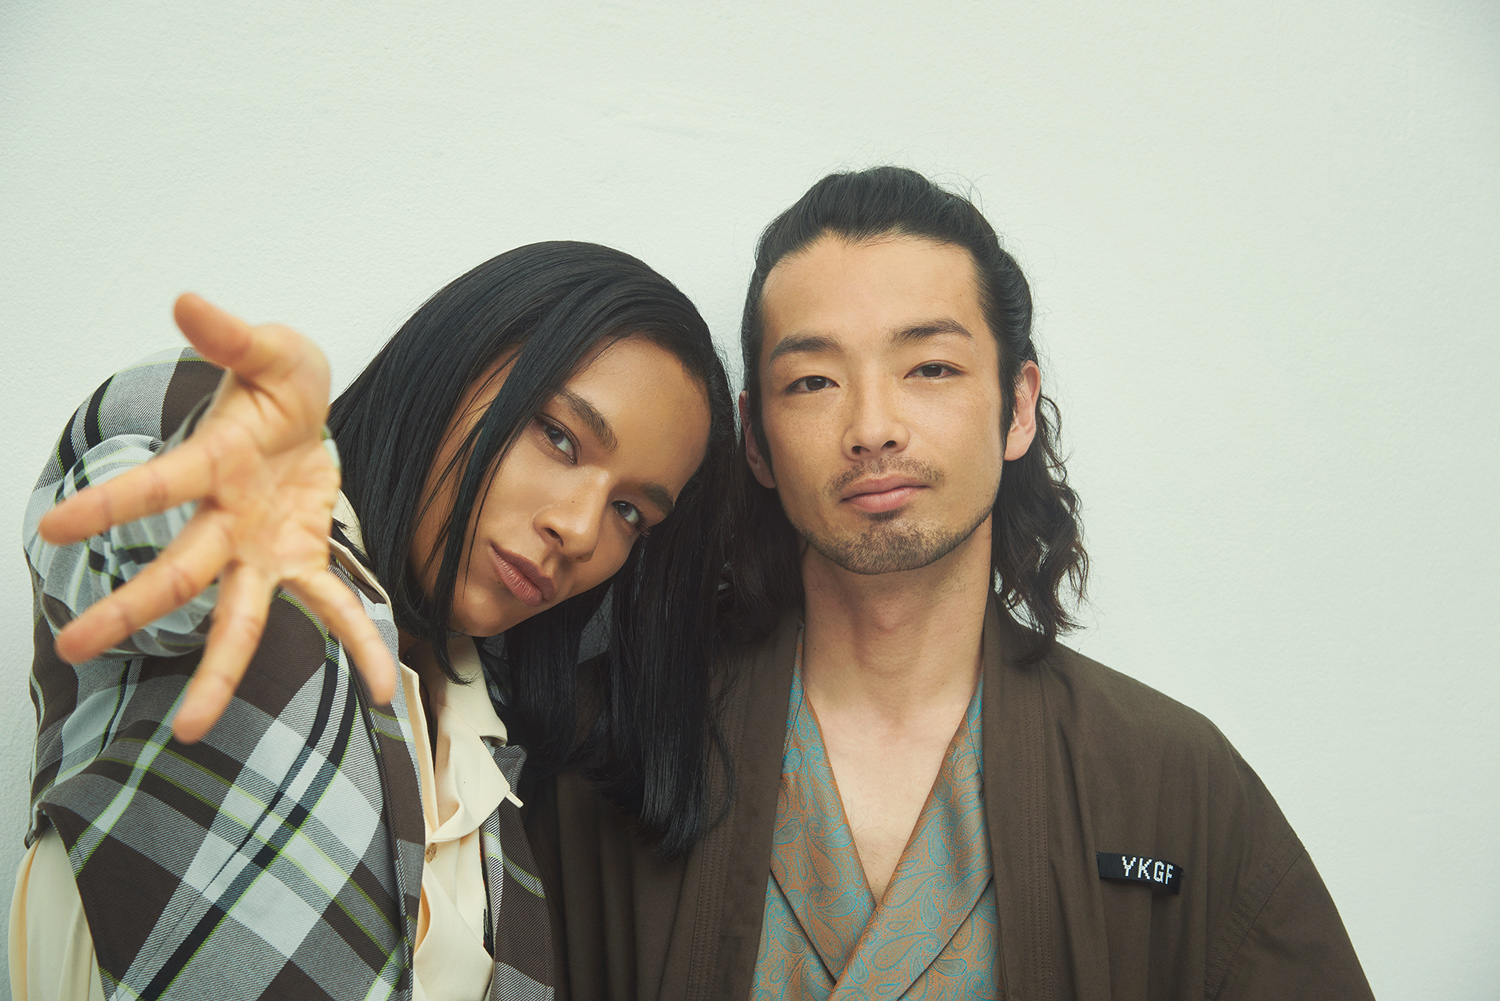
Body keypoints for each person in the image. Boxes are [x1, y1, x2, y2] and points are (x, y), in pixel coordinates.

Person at [527, 169, 1377, 1000]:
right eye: (813, 381)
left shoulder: (1171, 779)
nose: (871, 428)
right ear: (756, 439)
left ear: (1018, 406)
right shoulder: (610, 743)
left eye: (930, 368)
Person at [11, 241, 736, 1001]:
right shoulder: (258, 504)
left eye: (630, 511)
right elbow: (110, 549)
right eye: (558, 436)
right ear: (454, 364)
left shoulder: (488, 757)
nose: (581, 531)